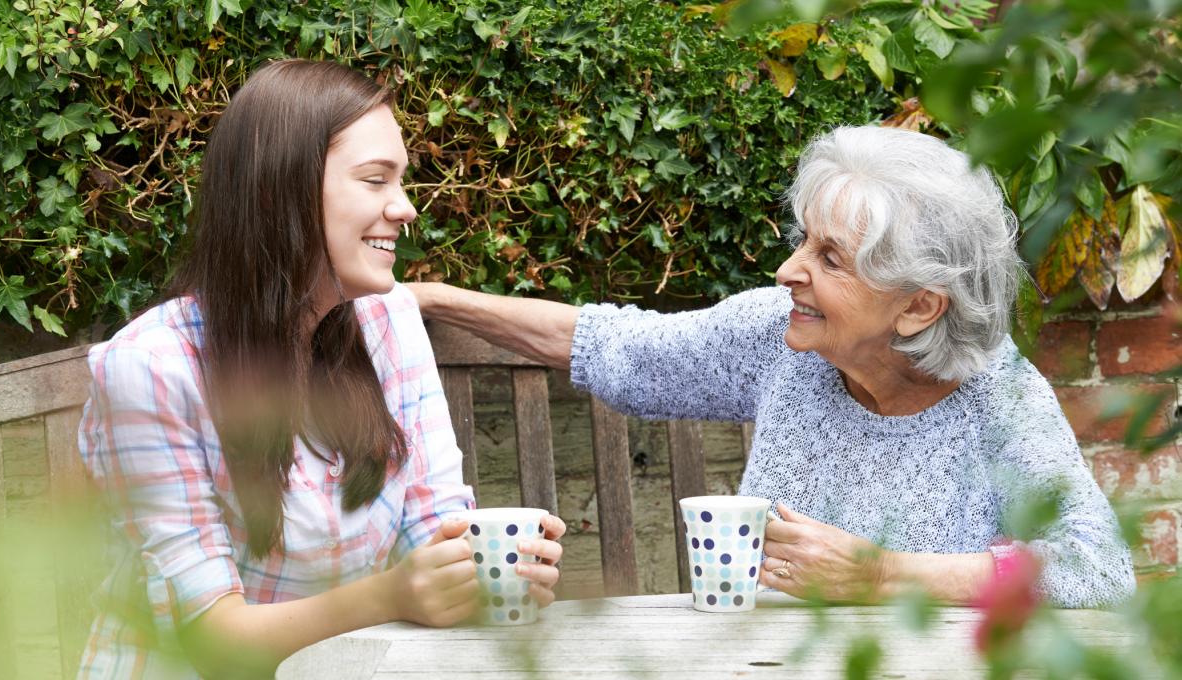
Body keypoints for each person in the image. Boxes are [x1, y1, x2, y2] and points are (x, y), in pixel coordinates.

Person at [408, 126, 1136, 608]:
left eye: (828, 259)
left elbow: (1099, 567)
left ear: (918, 307)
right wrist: (434, 299)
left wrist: (882, 575)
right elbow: (617, 347)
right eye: (802, 242)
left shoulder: (997, 398)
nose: (788, 270)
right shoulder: (781, 337)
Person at [77, 59, 565, 679]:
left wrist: (486, 571)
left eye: (401, 181)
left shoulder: (387, 323)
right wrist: (393, 595)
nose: (406, 208)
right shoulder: (150, 369)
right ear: (284, 189)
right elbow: (211, 638)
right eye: (375, 180)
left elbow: (433, 527)